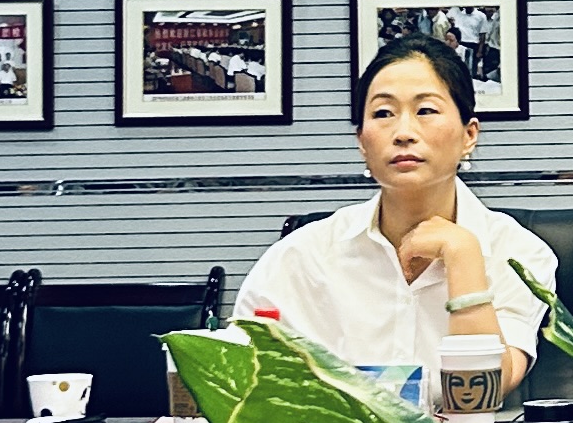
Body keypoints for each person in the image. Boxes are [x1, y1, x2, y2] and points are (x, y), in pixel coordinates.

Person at [233, 34, 547, 398]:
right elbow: (244, 386)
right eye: (383, 113)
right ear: (361, 142)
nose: (403, 133)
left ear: (469, 135)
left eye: (426, 110)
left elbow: (482, 394)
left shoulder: (518, 253)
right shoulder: (300, 258)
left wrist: (463, 257)